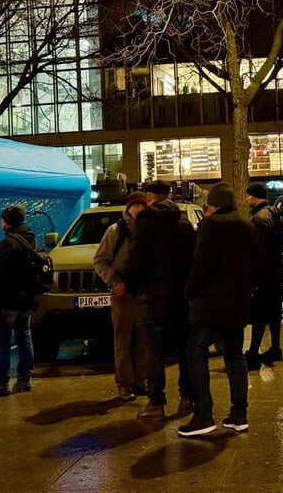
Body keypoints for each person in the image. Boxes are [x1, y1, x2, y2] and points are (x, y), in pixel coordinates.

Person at [178, 182, 255, 437]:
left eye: (209, 205)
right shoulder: (246, 225)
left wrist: (188, 291)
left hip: (210, 305)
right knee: (234, 355)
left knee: (195, 350)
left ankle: (203, 414)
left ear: (215, 206)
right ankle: (239, 414)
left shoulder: (211, 226)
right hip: (237, 303)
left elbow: (201, 264)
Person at [122, 180, 196, 421]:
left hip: (152, 300)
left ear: (149, 197)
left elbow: (135, 261)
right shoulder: (184, 223)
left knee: (154, 354)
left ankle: (156, 403)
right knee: (185, 351)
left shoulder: (145, 223)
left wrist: (132, 287)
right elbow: (192, 260)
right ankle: (187, 397)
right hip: (179, 299)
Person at [94, 191, 148, 401]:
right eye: (136, 206)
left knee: (143, 340)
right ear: (128, 207)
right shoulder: (116, 230)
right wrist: (114, 282)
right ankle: (124, 385)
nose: (139, 210)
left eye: (142, 206)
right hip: (122, 293)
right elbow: (100, 260)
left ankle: (140, 381)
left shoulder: (148, 229)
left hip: (143, 292)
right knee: (123, 341)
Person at [0, 205, 38, 401]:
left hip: (7, 302)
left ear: (9, 221)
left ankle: (1, 383)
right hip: (26, 300)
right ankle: (24, 380)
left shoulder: (8, 243)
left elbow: (0, 275)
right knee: (25, 338)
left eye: (2, 218)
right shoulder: (31, 239)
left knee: (2, 343)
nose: (0, 222)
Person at [244, 182, 283, 370]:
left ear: (254, 197)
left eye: (248, 196)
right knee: (274, 314)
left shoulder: (259, 219)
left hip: (264, 275)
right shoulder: (274, 213)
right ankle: (275, 348)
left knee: (259, 315)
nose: (246, 199)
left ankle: (253, 352)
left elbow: (257, 252)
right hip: (276, 271)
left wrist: (252, 275)